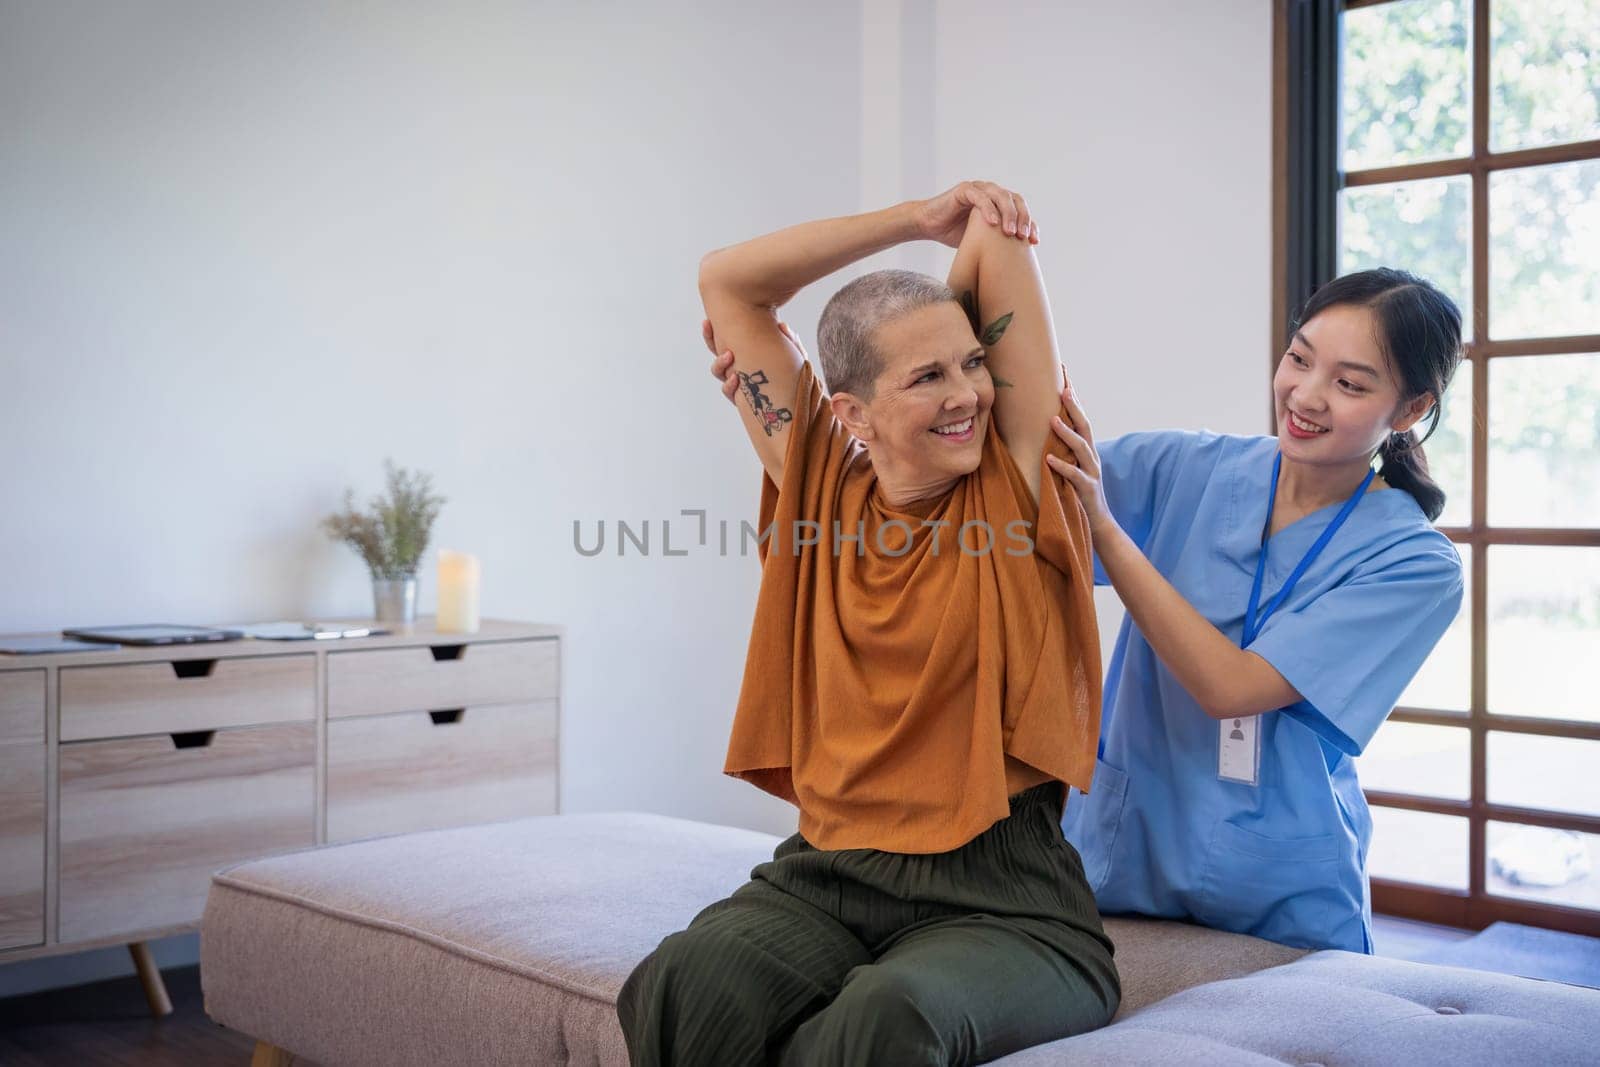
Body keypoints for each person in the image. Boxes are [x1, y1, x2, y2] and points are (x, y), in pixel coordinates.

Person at [618, 181, 1121, 1065]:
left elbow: (998, 244)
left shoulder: (1017, 481)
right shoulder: (819, 477)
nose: (969, 391)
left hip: (1003, 900)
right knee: (684, 980)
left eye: (972, 361)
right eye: (928, 376)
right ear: (850, 413)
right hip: (826, 877)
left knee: (888, 1014)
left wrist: (950, 249)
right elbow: (727, 282)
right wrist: (910, 220)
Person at [1042, 268, 1466, 953]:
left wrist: (1109, 534)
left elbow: (1231, 687)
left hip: (1284, 900)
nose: (1306, 395)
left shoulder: (1415, 564)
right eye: (1300, 358)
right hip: (1119, 861)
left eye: (1350, 384)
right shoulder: (1183, 467)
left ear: (1410, 409)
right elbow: (1020, 496)